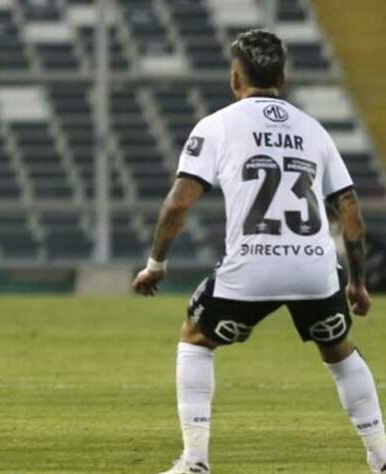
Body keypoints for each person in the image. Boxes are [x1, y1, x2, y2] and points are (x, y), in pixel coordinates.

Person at [132, 30, 386, 474]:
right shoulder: (314, 130)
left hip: (252, 264)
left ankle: (195, 460)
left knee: (195, 339)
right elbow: (349, 211)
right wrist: (359, 282)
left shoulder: (216, 126)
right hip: (315, 266)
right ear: (282, 78)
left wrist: (156, 264)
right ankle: (382, 457)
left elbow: (178, 203)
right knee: (340, 352)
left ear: (235, 79)